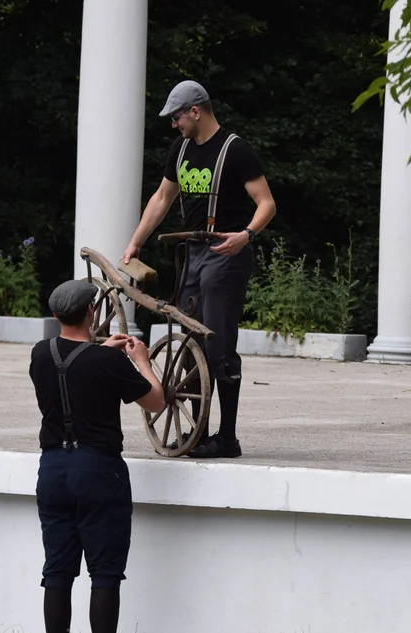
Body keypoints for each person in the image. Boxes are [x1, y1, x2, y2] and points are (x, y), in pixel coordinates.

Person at [120, 79, 276, 459]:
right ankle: (199, 432)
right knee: (189, 341)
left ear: (196, 111)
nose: (175, 125)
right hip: (193, 252)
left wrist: (246, 235)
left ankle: (228, 437)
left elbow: (266, 203)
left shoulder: (235, 150)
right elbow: (162, 197)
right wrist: (136, 240)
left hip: (226, 253)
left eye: (177, 117)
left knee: (217, 343)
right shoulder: (181, 149)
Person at [28, 279, 165, 633]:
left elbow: (74, 365)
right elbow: (156, 401)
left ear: (56, 316)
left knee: (57, 572)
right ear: (92, 313)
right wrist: (140, 360)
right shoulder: (109, 363)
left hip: (52, 469)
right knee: (104, 573)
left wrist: (100, 353)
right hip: (98, 471)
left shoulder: (39, 353)